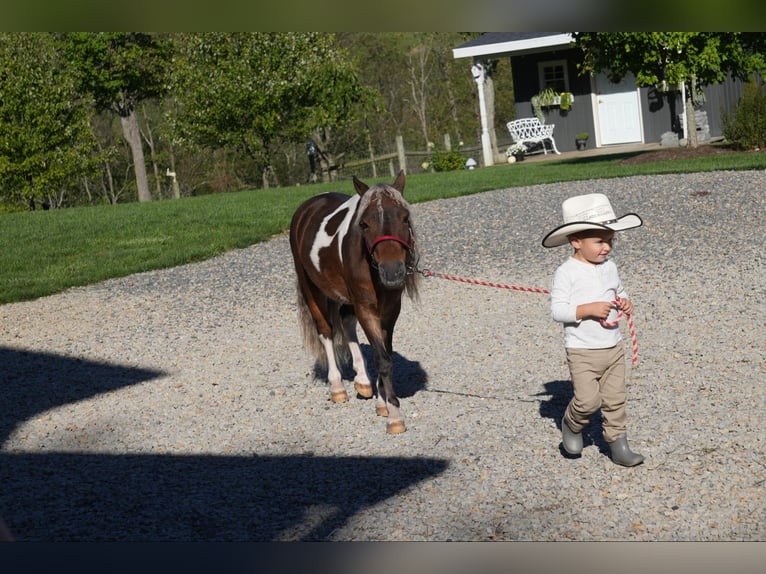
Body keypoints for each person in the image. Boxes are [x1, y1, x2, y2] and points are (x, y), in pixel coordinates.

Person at [542, 193, 644, 467]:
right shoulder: (567, 272)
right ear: (576, 241)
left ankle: (618, 443)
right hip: (583, 350)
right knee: (588, 402)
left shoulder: (610, 267)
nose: (607, 247)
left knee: (615, 399)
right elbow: (558, 311)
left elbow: (618, 290)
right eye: (599, 241)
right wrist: (586, 310)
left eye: (610, 240)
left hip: (613, 346)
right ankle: (572, 424)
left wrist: (625, 301)